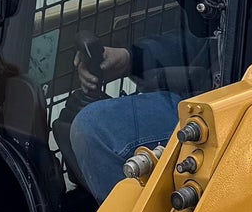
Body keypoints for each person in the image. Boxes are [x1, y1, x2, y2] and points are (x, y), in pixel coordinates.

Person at [68, 24, 218, 199]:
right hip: (198, 94)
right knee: (82, 120)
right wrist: (132, 59)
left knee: (94, 128)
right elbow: (205, 43)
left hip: (230, 113)